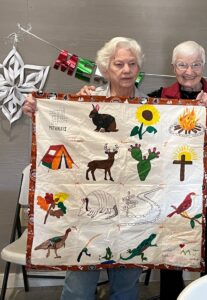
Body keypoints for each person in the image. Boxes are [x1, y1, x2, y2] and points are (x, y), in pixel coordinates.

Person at [23, 37, 147, 300]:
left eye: (132, 64)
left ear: (138, 68)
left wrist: (206, 107)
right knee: (79, 286)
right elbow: (60, 125)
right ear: (105, 69)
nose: (126, 70)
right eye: (119, 64)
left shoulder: (152, 107)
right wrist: (37, 109)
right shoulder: (85, 101)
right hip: (89, 209)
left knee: (126, 285)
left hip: (129, 210)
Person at [147, 40, 207, 300]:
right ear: (173, 66)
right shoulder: (157, 98)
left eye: (195, 64)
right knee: (171, 263)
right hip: (172, 199)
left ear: (203, 66)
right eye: (182, 65)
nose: (189, 71)